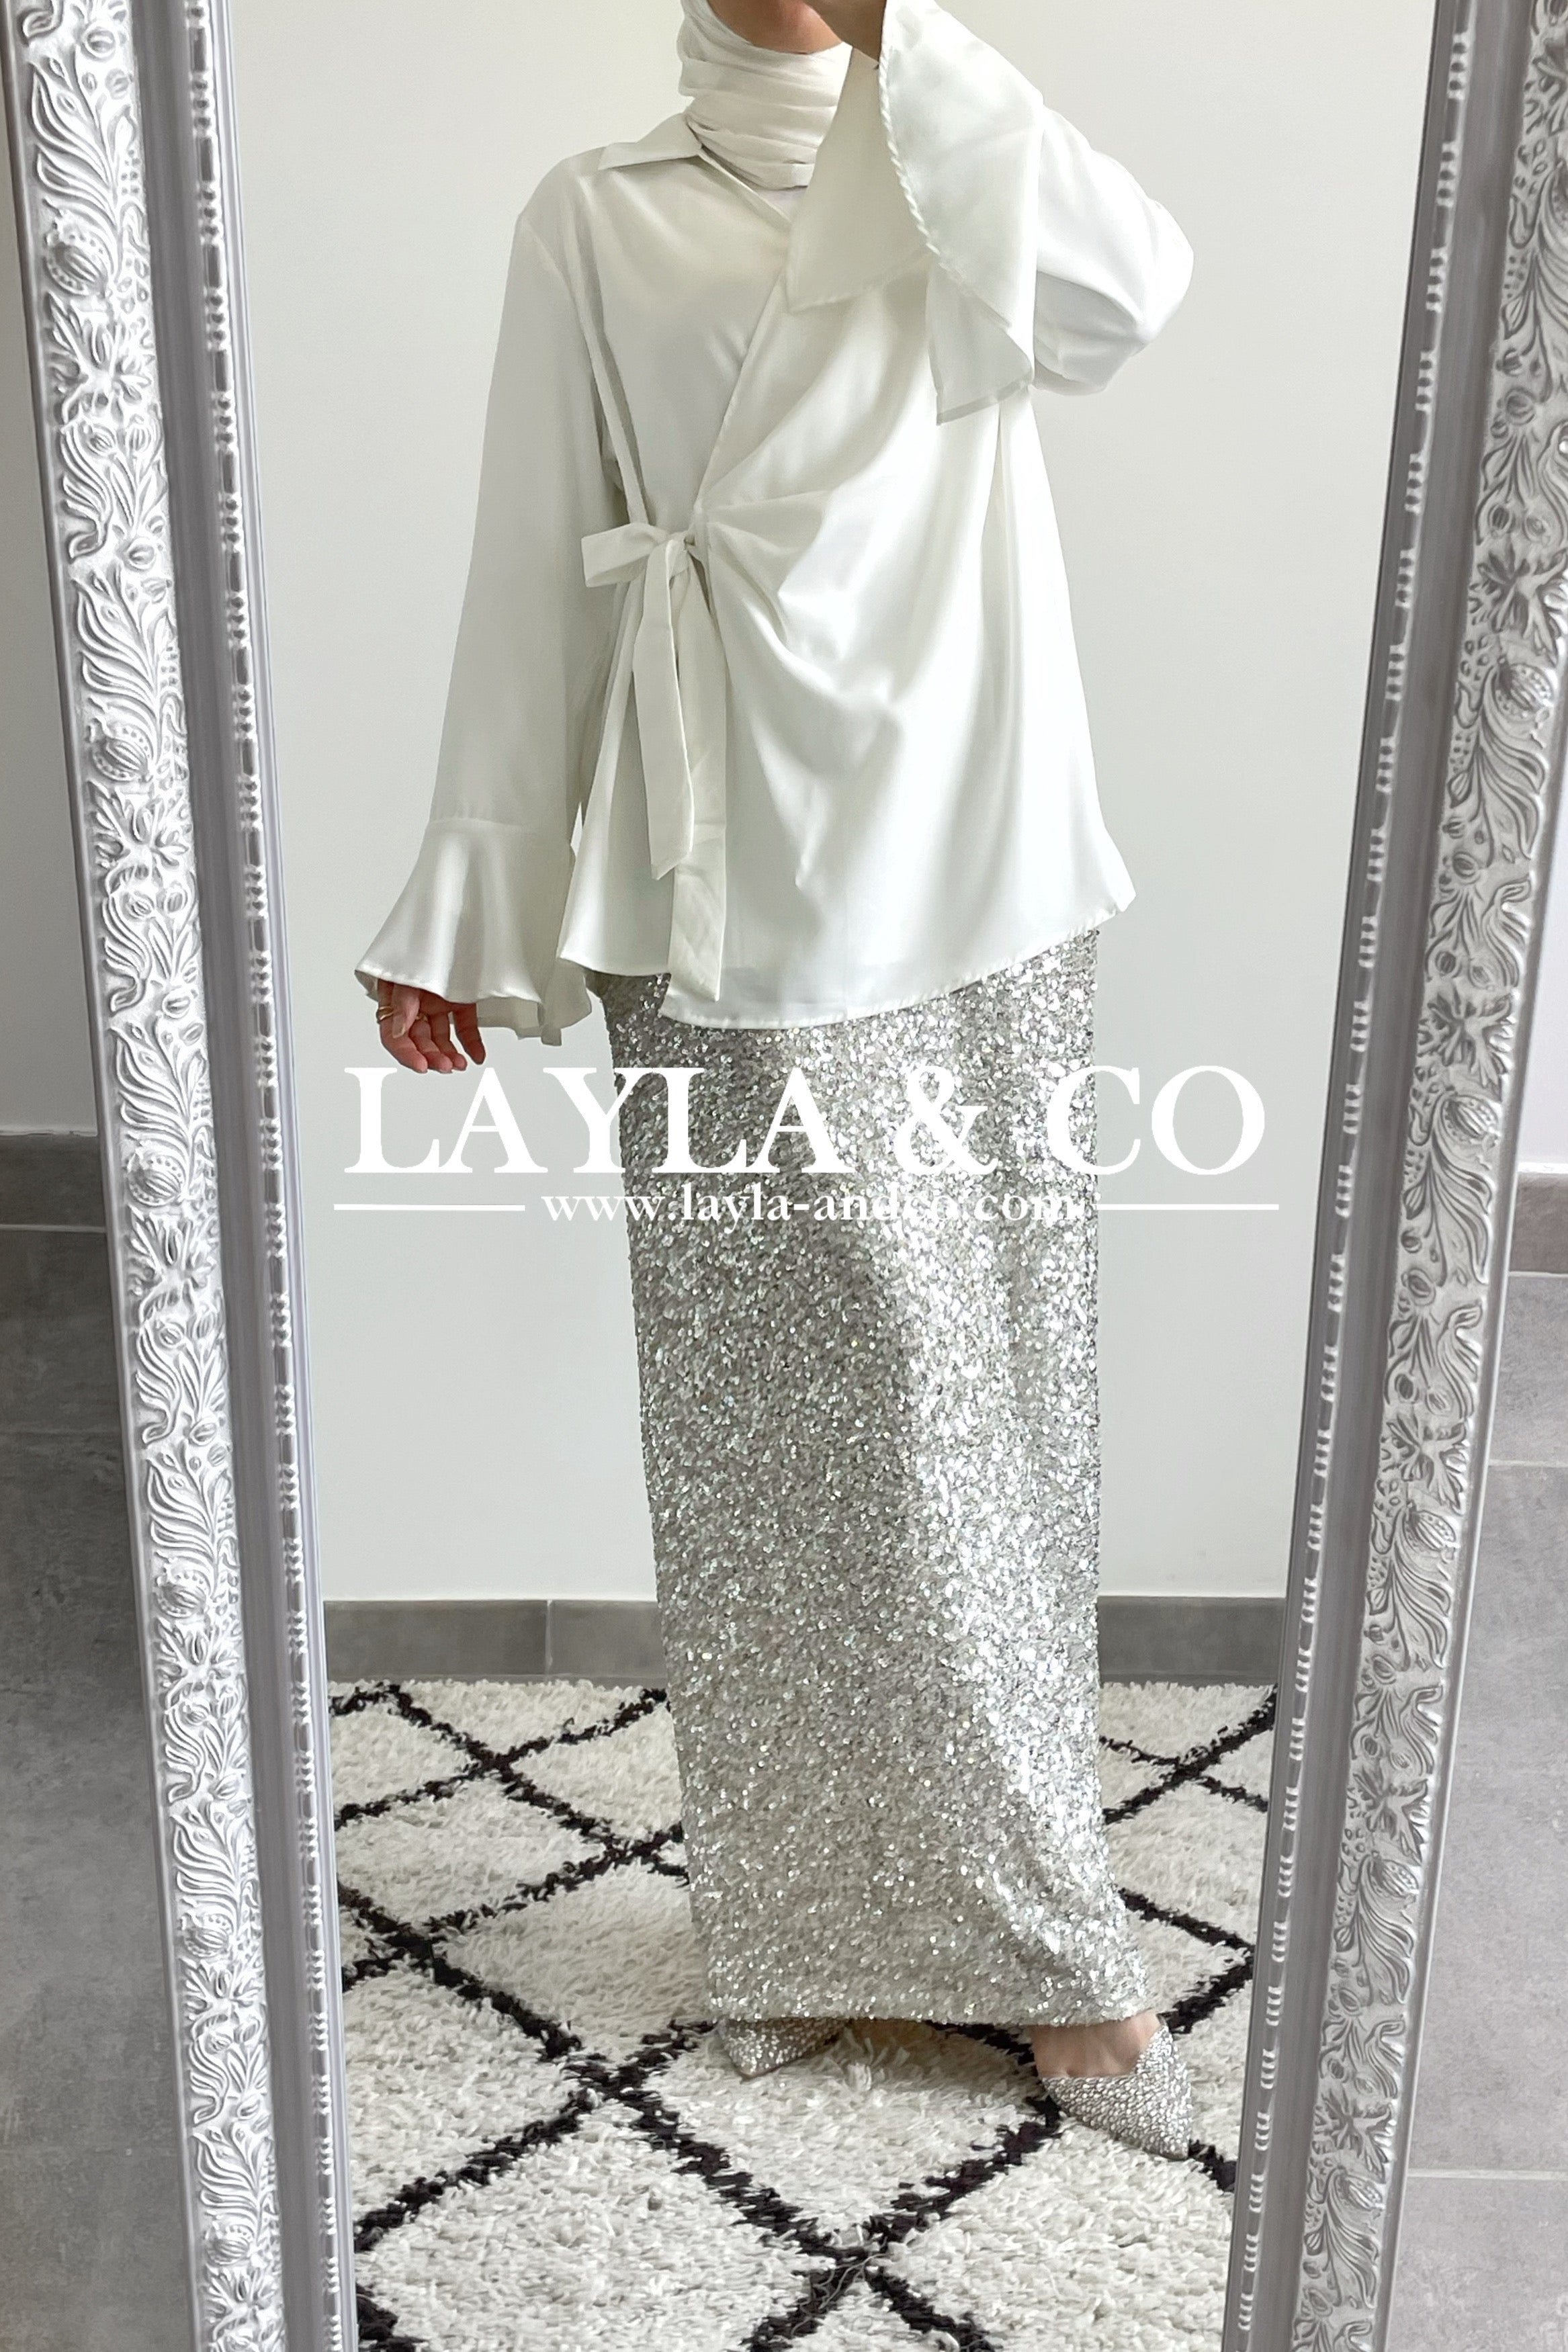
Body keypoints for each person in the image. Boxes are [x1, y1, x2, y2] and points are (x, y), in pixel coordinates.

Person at [358, 0, 1195, 2153]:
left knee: (976, 1402)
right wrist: (471, 899)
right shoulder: (595, 215)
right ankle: (816, 1930)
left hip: (977, 862)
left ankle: (1049, 1942)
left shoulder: (960, 157)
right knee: (765, 1436)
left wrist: (919, 40)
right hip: (708, 875)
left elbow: (1126, 295)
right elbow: (533, 564)